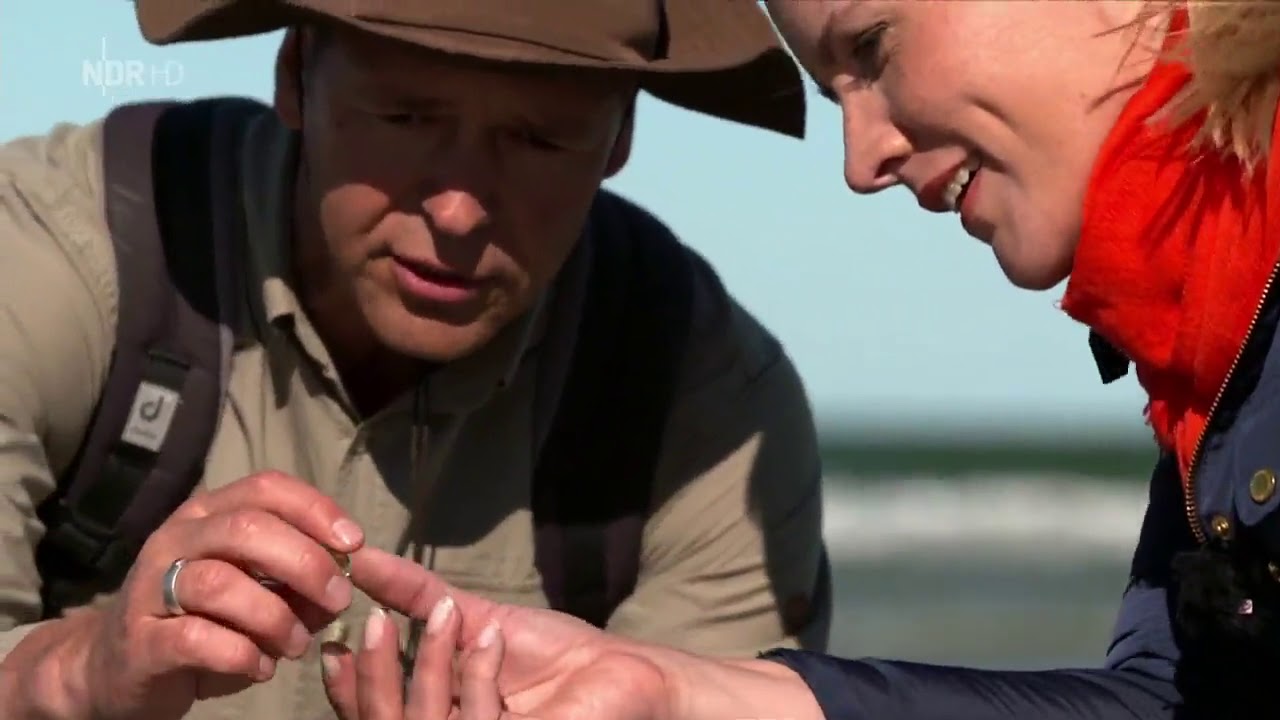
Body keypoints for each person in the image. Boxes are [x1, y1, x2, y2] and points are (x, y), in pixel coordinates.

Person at [329, 1, 1280, 718]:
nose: (859, 160)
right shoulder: (1208, 364)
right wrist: (682, 692)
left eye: (871, 49)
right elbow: (1179, 700)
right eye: (834, 94)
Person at [0, 1, 834, 719]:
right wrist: (79, 673)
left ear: (620, 138)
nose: (460, 208)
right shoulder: (50, 260)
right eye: (404, 118)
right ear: (294, 76)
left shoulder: (710, 407)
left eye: (539, 140)